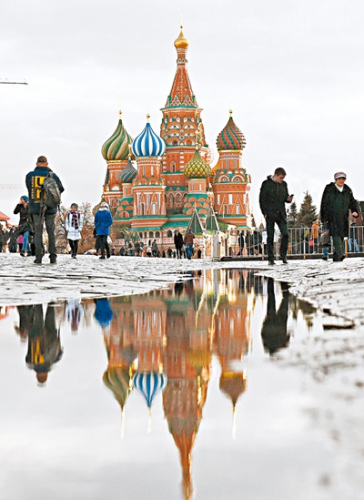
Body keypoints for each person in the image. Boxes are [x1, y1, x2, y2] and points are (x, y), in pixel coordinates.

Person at [26, 155, 64, 264]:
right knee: (50, 231)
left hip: (36, 207)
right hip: (50, 207)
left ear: (37, 164)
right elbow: (60, 189)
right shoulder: (52, 175)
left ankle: (38, 256)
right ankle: (53, 256)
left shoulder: (30, 176)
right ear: (47, 164)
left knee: (37, 232)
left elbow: (29, 188)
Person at [320, 172, 359, 262]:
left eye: (343, 179)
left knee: (341, 236)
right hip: (331, 217)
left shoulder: (347, 190)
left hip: (343, 217)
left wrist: (355, 211)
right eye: (339, 179)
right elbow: (324, 203)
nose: (341, 181)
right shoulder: (329, 189)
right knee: (335, 235)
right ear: (336, 180)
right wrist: (324, 218)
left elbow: (352, 202)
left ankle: (336, 257)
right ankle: (340, 253)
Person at [259, 167, 293, 265]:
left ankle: (283, 255)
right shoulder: (266, 184)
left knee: (285, 234)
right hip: (270, 214)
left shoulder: (284, 184)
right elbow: (262, 199)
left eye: (283, 178)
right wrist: (264, 212)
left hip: (281, 214)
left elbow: (285, 197)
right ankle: (270, 258)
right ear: (276, 175)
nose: (282, 180)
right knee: (270, 236)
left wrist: (288, 199)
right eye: (281, 178)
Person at [261, 278, 290, 355]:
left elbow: (287, 338)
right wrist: (265, 323)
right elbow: (263, 333)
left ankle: (284, 281)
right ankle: (271, 279)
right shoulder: (267, 345)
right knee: (271, 297)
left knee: (285, 299)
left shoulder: (280, 346)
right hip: (271, 322)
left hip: (280, 324)